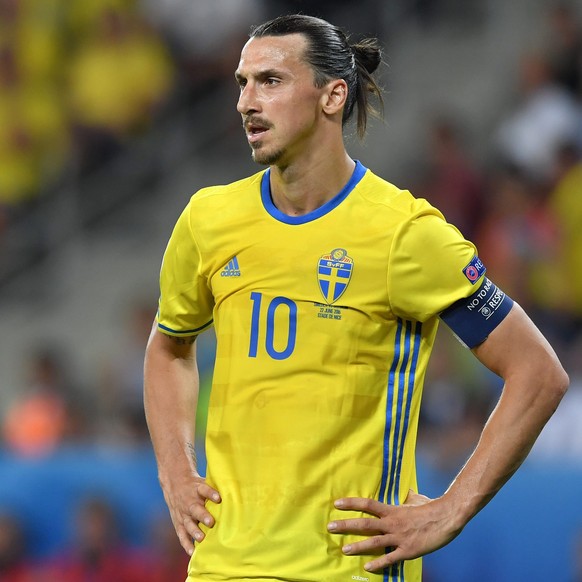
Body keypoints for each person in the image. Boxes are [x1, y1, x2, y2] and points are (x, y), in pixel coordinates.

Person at [143, 14, 569, 582]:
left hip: (348, 570)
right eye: (242, 83)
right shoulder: (208, 220)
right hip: (225, 566)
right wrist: (175, 470)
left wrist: (451, 509)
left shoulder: (404, 234)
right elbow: (169, 347)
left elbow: (538, 373)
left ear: (332, 95)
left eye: (270, 81)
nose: (247, 101)